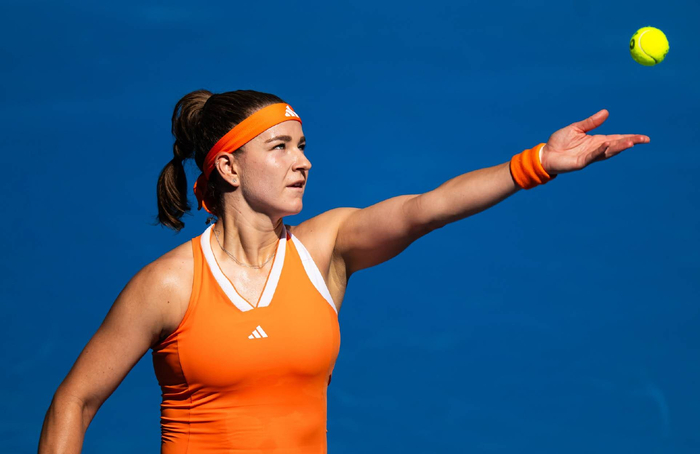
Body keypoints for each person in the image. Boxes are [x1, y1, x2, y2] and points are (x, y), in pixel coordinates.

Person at [38, 89, 649, 453]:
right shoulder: (168, 285)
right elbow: (75, 401)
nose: (302, 162)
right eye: (280, 147)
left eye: (302, 146)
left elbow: (426, 209)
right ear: (228, 167)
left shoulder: (323, 249)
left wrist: (539, 162)